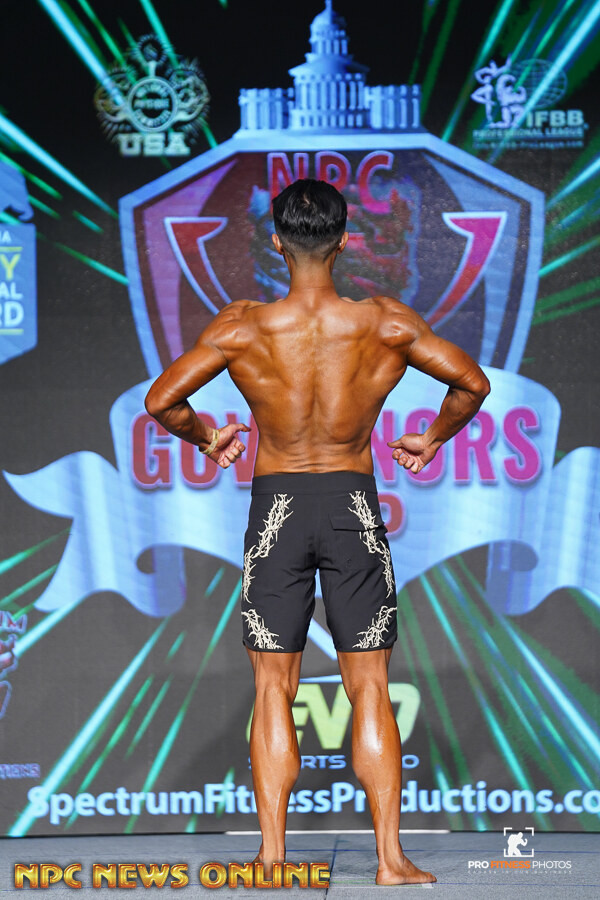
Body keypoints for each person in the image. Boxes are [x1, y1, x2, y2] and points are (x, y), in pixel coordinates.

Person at [145, 178, 490, 886]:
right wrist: (431, 439)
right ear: (343, 240)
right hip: (350, 505)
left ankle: (272, 859)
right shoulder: (384, 323)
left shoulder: (242, 327)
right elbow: (472, 385)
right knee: (370, 684)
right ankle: (390, 860)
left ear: (276, 241)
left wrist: (207, 436)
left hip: (276, 508)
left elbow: (161, 401)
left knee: (274, 685)